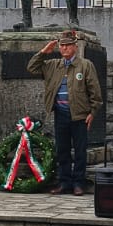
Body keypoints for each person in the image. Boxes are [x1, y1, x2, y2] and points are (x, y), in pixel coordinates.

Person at [27, 30, 102, 196]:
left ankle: (78, 183)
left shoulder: (85, 65)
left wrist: (93, 112)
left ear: (75, 46)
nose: (65, 48)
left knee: (80, 151)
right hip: (61, 114)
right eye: (62, 45)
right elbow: (31, 67)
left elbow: (95, 91)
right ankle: (64, 182)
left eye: (68, 45)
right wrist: (43, 52)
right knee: (62, 150)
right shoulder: (53, 65)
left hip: (80, 115)